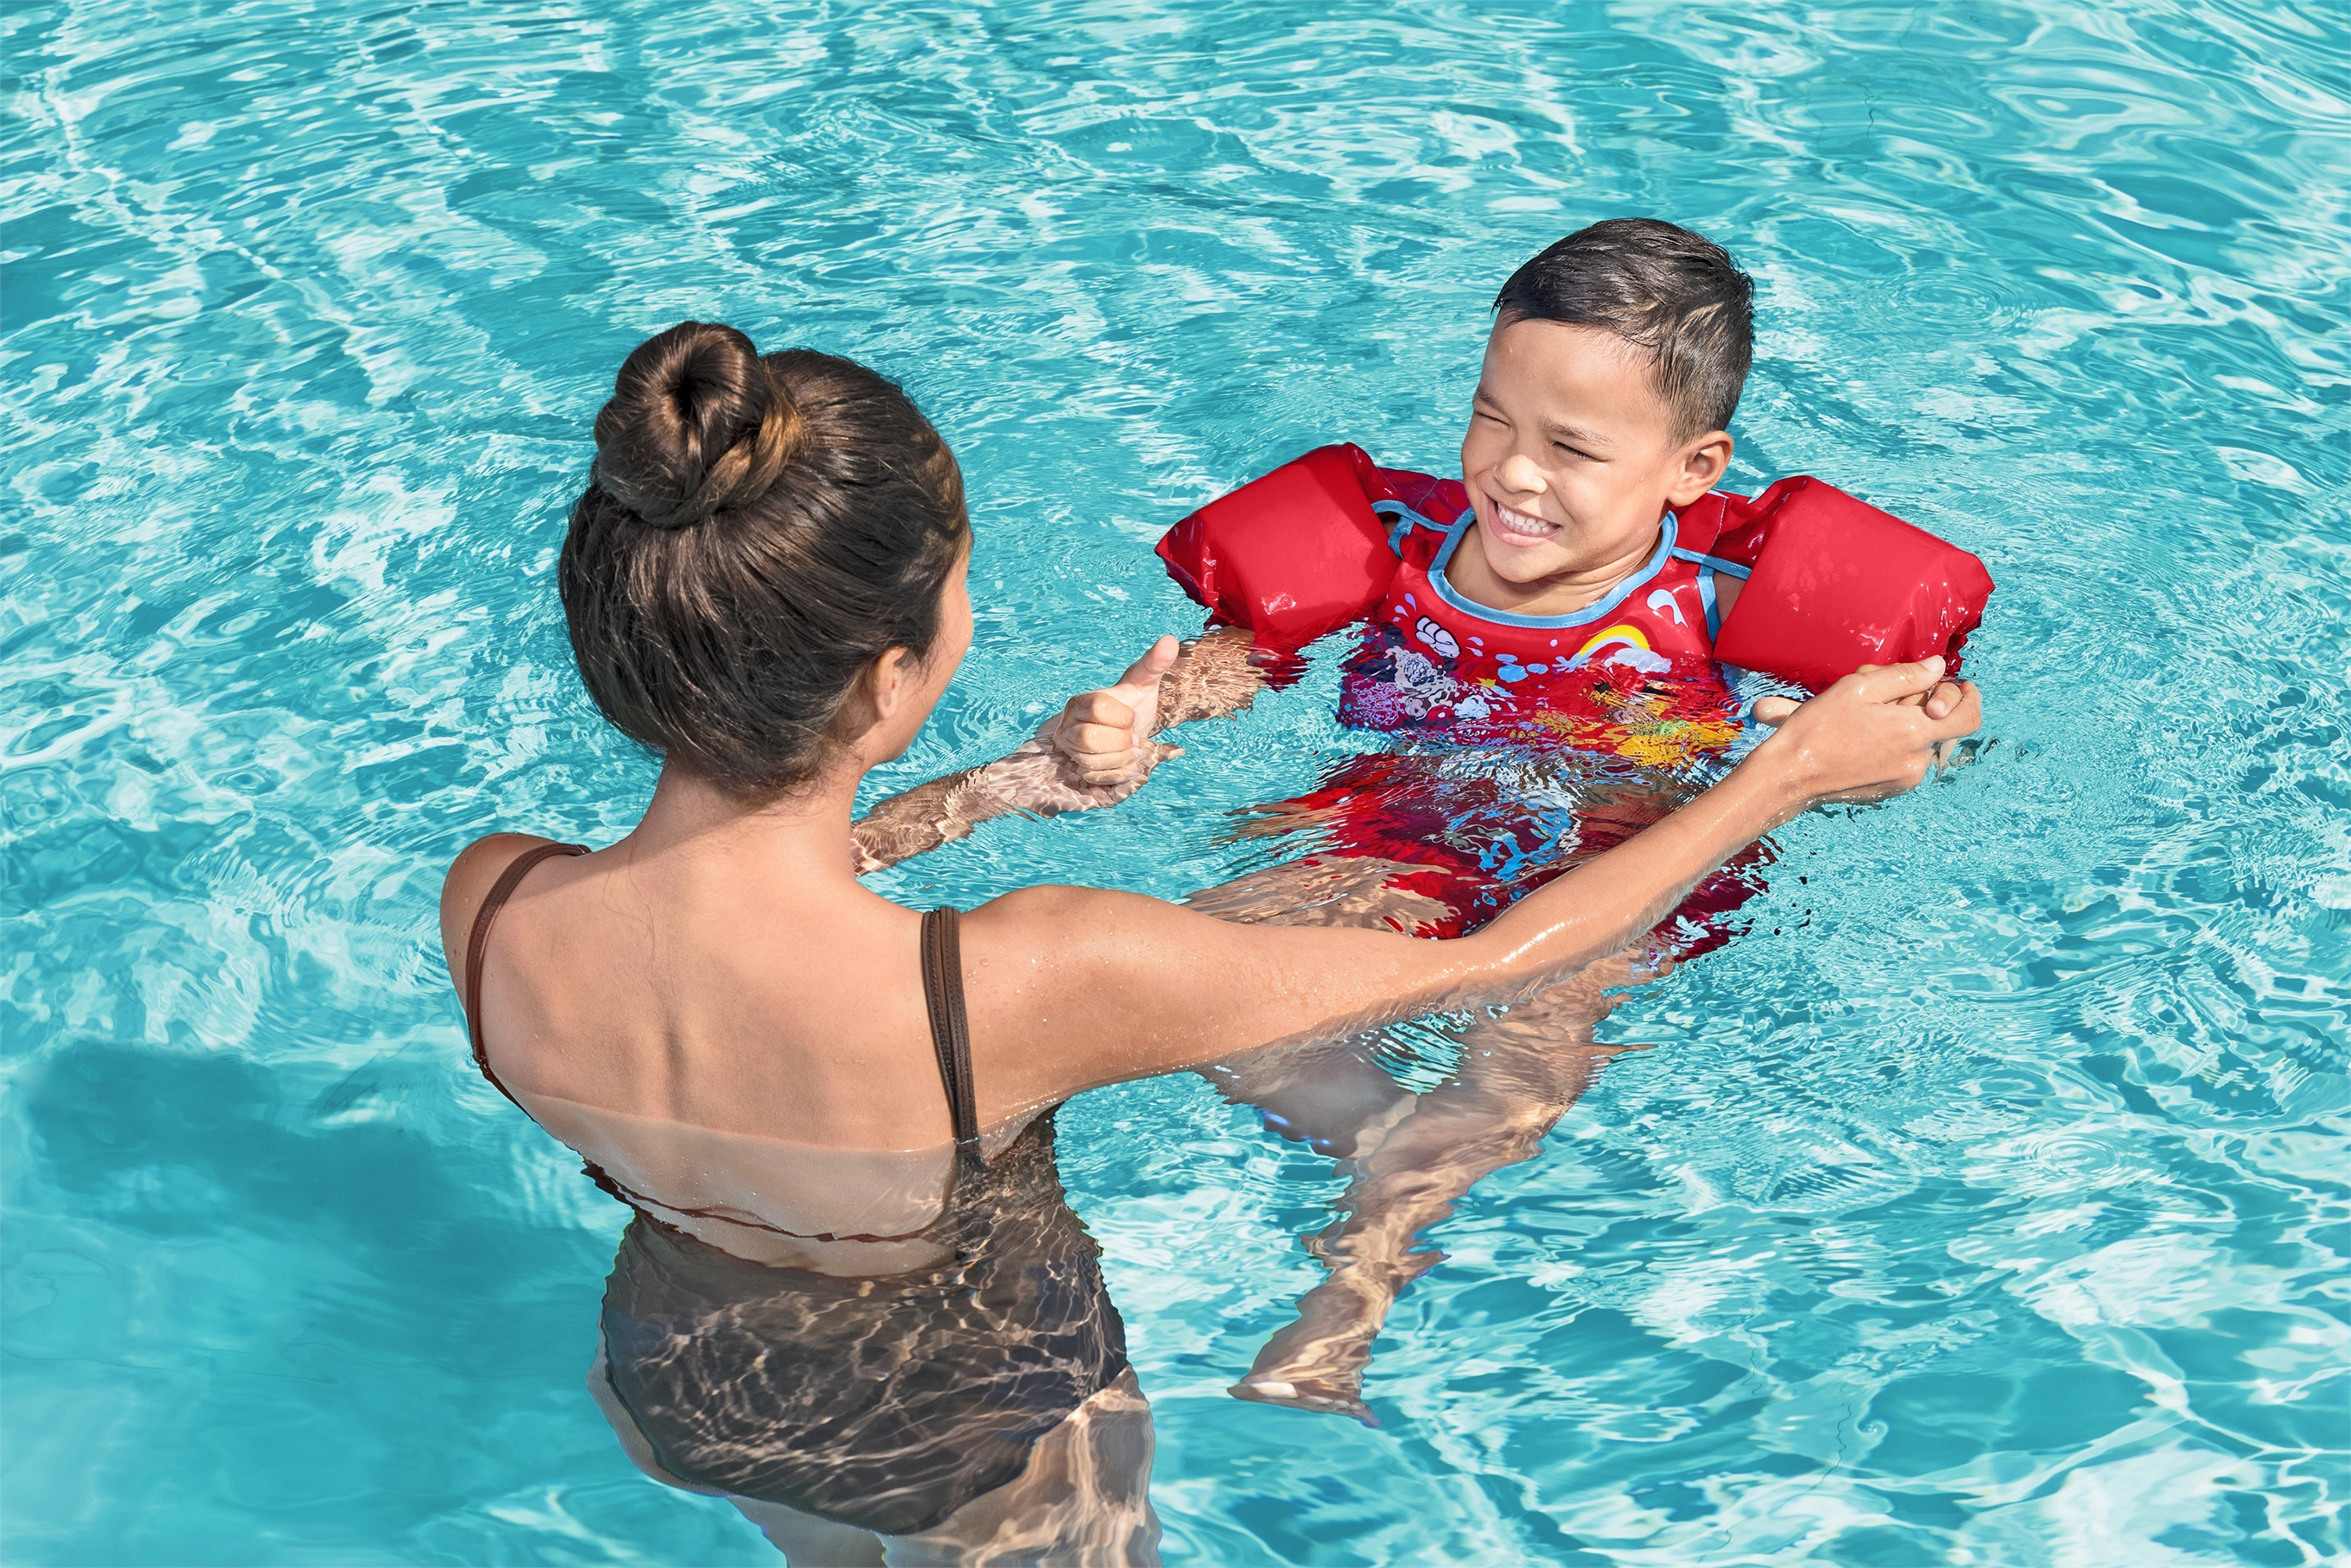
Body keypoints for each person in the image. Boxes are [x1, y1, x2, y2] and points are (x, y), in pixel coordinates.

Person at [440, 320, 1979, 1559]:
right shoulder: (1029, 978)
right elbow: (1496, 960)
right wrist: (1787, 771)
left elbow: (735, 902)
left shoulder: (498, 903)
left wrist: (982, 794)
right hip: (982, 1447)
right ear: (896, 674)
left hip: (687, 1379)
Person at [1035, 219, 1981, 1420]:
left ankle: (1356, 1287)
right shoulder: (1400, 547)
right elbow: (1222, 666)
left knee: (1530, 1046)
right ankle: (1396, 1145)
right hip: (1407, 820)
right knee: (1217, 977)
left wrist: (1928, 731)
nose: (1514, 474)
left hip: (1634, 848)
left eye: (1573, 448)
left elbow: (1922, 719)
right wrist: (1138, 708)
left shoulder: (1725, 602)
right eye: (1493, 417)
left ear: (1694, 469)